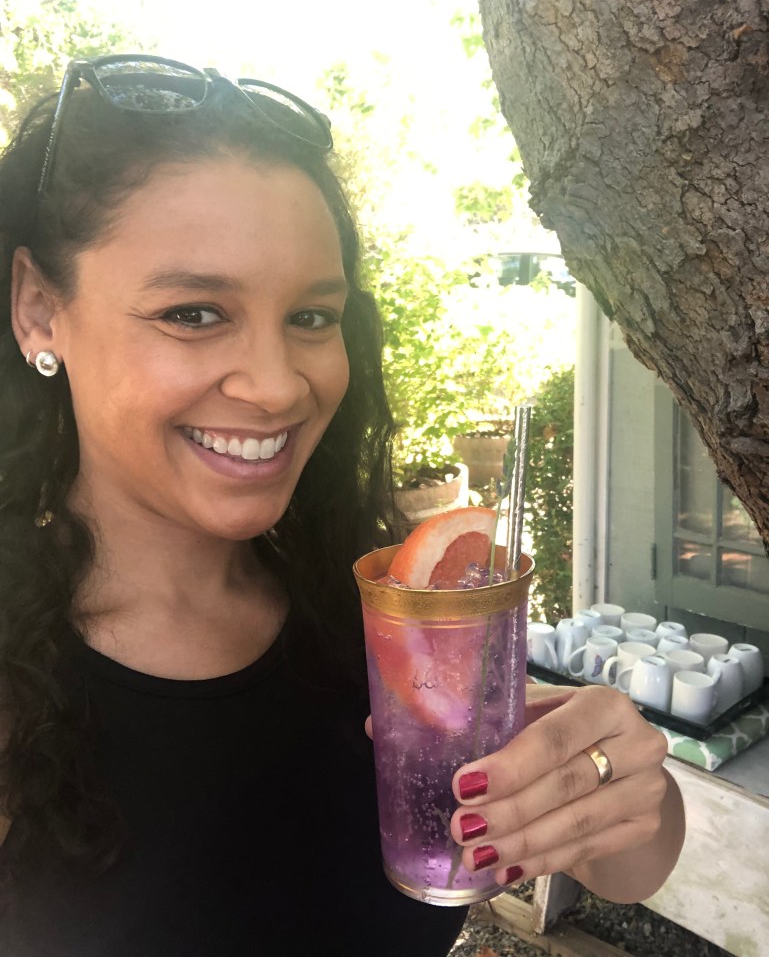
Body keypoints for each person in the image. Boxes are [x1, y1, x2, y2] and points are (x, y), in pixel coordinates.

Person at [0, 55, 685, 957]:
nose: (279, 385)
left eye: (312, 318)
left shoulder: (370, 605)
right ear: (41, 312)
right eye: (194, 312)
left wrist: (616, 795)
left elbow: (628, 867)